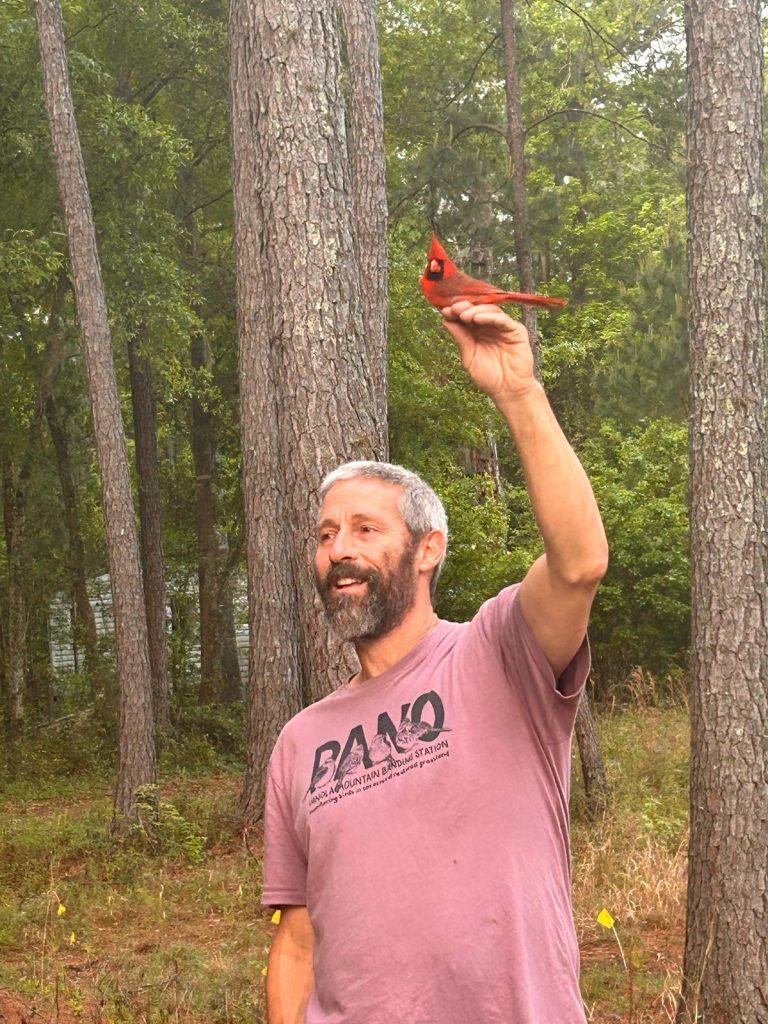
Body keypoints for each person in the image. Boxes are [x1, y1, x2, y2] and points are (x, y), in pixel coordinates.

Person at [262, 300, 609, 1024]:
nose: (339, 550)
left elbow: (578, 566)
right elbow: (296, 943)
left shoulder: (499, 654)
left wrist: (518, 391)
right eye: (326, 534)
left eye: (365, 528)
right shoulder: (300, 743)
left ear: (428, 549)